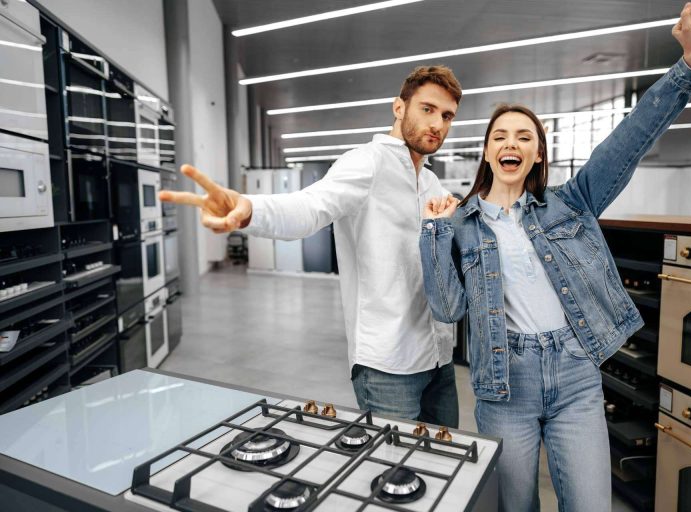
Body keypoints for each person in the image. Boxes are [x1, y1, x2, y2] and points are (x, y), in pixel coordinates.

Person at [419, 3, 691, 511]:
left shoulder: (572, 203)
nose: (511, 144)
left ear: (537, 154)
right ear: (488, 152)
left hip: (575, 373)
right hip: (503, 384)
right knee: (515, 506)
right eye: (500, 136)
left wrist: (688, 65)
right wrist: (433, 232)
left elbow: (628, 140)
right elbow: (446, 309)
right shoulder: (461, 224)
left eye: (524, 137)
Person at [160, 66, 464, 427]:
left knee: (446, 469)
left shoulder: (431, 183)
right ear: (399, 108)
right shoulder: (366, 163)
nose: (438, 124)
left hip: (440, 358)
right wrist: (249, 209)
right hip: (389, 365)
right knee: (394, 472)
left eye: (447, 116)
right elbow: (308, 207)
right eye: (427, 109)